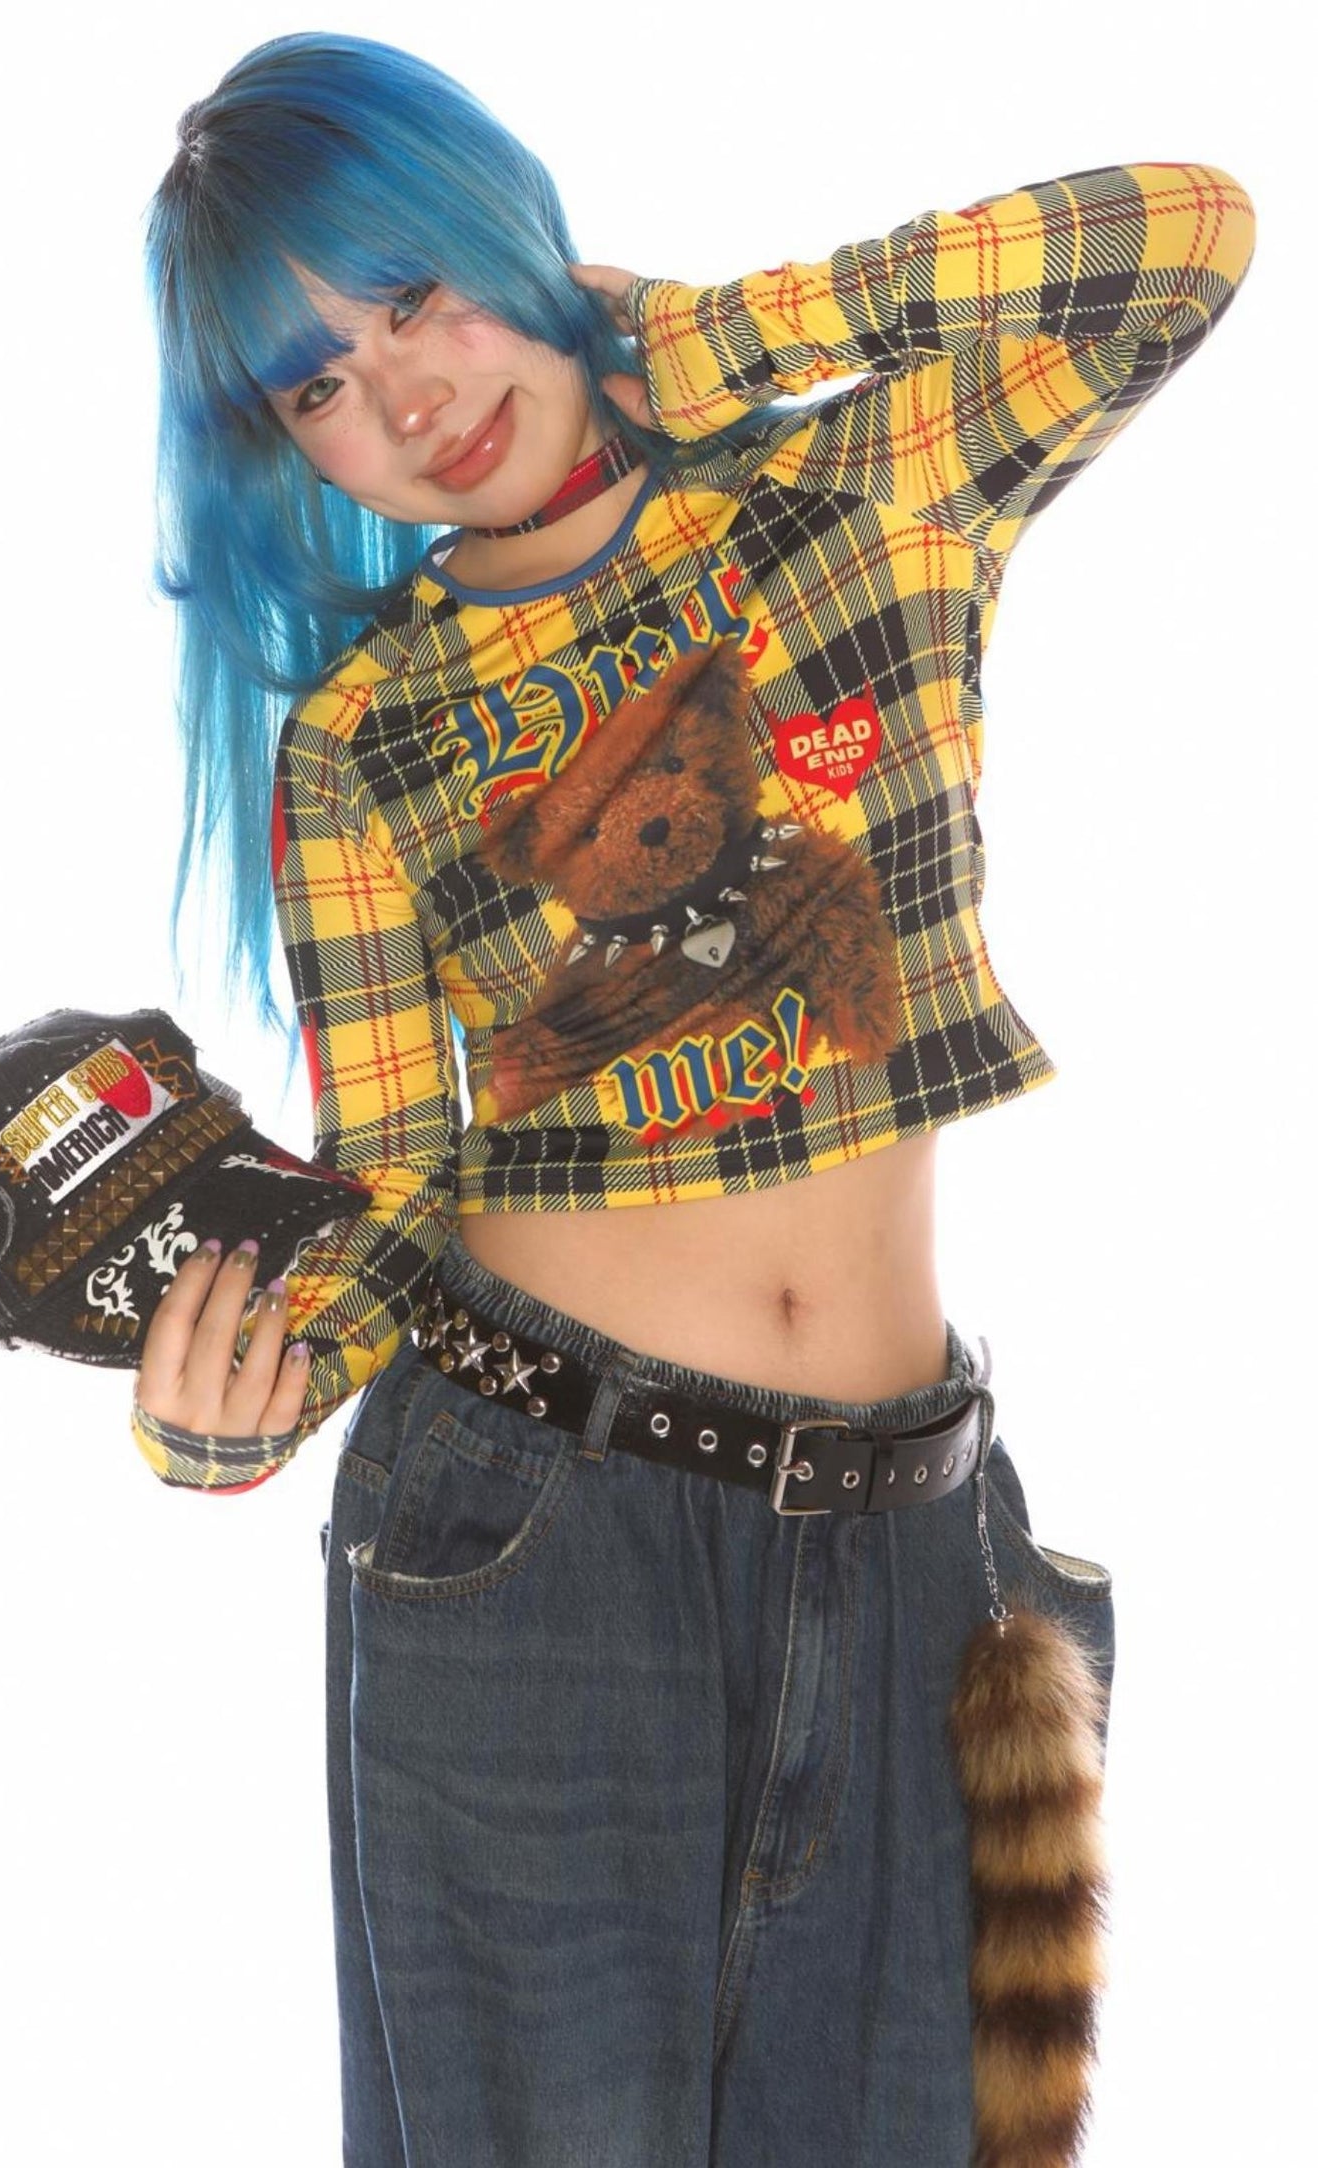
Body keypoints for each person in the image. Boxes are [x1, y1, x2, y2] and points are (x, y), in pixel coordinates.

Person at [133, 32, 1255, 2167]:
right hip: (536, 1533)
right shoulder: (362, 739)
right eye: (319, 385)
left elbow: (1186, 238)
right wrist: (247, 1399)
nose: (409, 396)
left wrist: (702, 334)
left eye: (416, 295)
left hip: (916, 1533)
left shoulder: (859, 496)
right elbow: (397, 1174)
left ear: (509, 234)